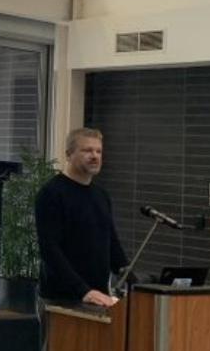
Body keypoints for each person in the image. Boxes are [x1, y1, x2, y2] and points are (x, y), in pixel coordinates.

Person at [35, 127, 128, 310]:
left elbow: (112, 245)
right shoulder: (51, 193)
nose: (95, 156)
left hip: (98, 297)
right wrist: (82, 290)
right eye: (87, 150)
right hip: (61, 299)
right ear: (69, 154)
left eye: (98, 151)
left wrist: (132, 279)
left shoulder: (101, 195)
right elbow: (50, 250)